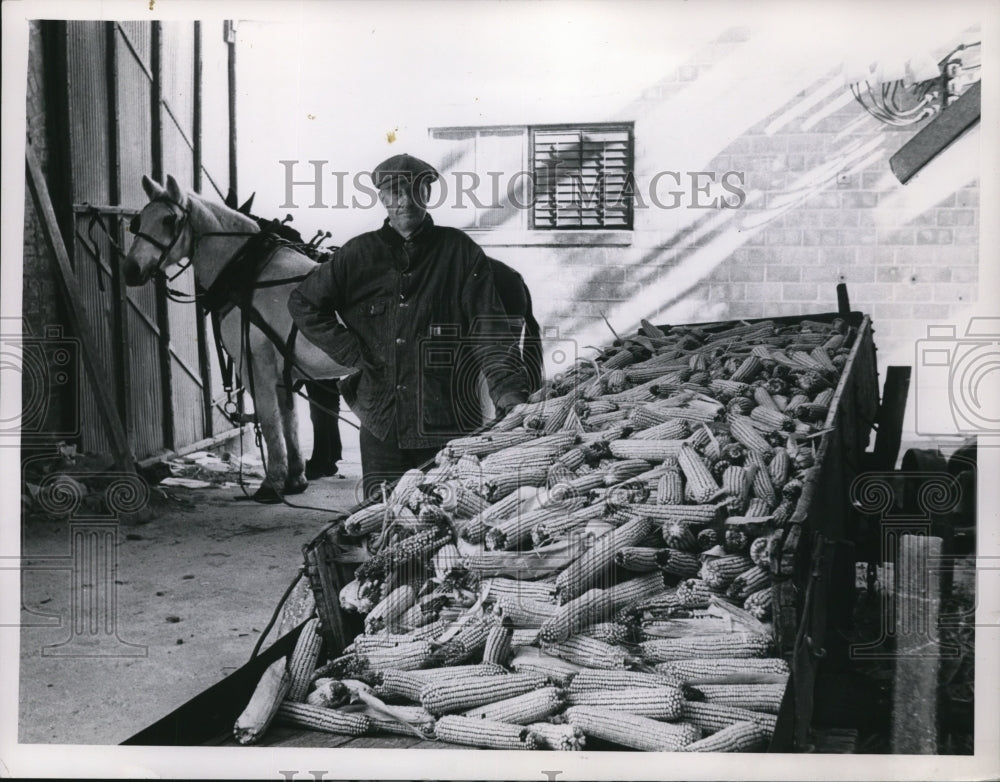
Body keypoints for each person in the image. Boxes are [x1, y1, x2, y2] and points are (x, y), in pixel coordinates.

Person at [288, 153, 529, 500]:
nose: (405, 201)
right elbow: (303, 302)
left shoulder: (459, 252)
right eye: (395, 191)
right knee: (379, 517)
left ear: (428, 194)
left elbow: (489, 329)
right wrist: (351, 350)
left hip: (447, 420)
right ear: (382, 197)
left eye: (416, 190)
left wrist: (508, 392)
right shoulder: (357, 254)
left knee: (445, 520)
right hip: (381, 423)